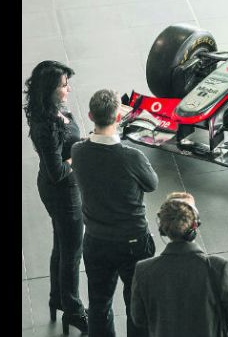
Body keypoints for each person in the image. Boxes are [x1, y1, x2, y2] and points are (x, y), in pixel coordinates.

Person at [72, 89, 158, 337]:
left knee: (99, 304)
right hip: (133, 240)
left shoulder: (78, 151)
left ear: (90, 115)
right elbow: (152, 184)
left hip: (96, 240)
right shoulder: (131, 157)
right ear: (119, 117)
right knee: (137, 304)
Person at [24, 60, 89, 334]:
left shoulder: (52, 111)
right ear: (50, 89)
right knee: (72, 253)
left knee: (61, 246)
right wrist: (81, 154)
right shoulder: (46, 126)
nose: (68, 89)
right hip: (62, 193)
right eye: (64, 86)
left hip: (62, 191)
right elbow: (56, 171)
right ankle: (73, 310)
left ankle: (58, 299)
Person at [131, 192, 228, 337]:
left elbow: (139, 319)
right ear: (194, 225)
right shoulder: (219, 267)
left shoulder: (143, 270)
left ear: (163, 228)